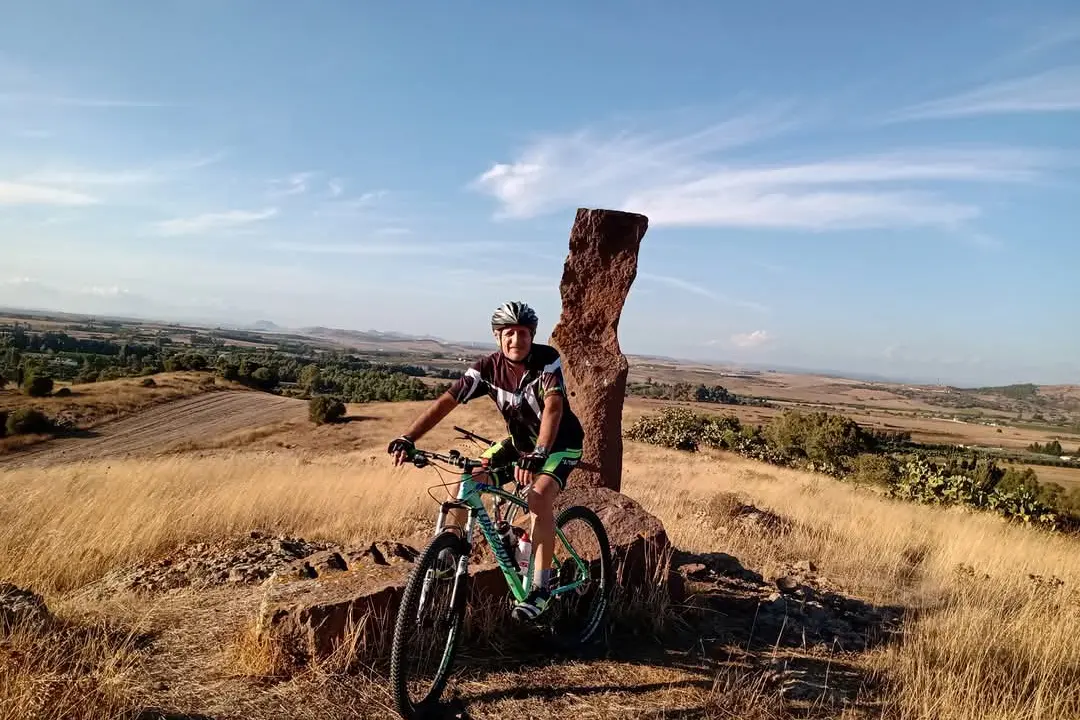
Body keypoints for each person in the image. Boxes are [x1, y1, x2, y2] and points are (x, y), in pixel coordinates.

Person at [388, 301, 584, 621]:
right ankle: (447, 560)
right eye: (509, 333)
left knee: (538, 497)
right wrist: (409, 438)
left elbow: (553, 408)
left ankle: (540, 588)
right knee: (466, 482)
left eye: (523, 333)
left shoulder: (546, 360)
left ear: (532, 336)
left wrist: (539, 454)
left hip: (559, 446)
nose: (516, 340)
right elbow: (446, 402)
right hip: (519, 446)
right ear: (497, 337)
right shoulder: (486, 368)